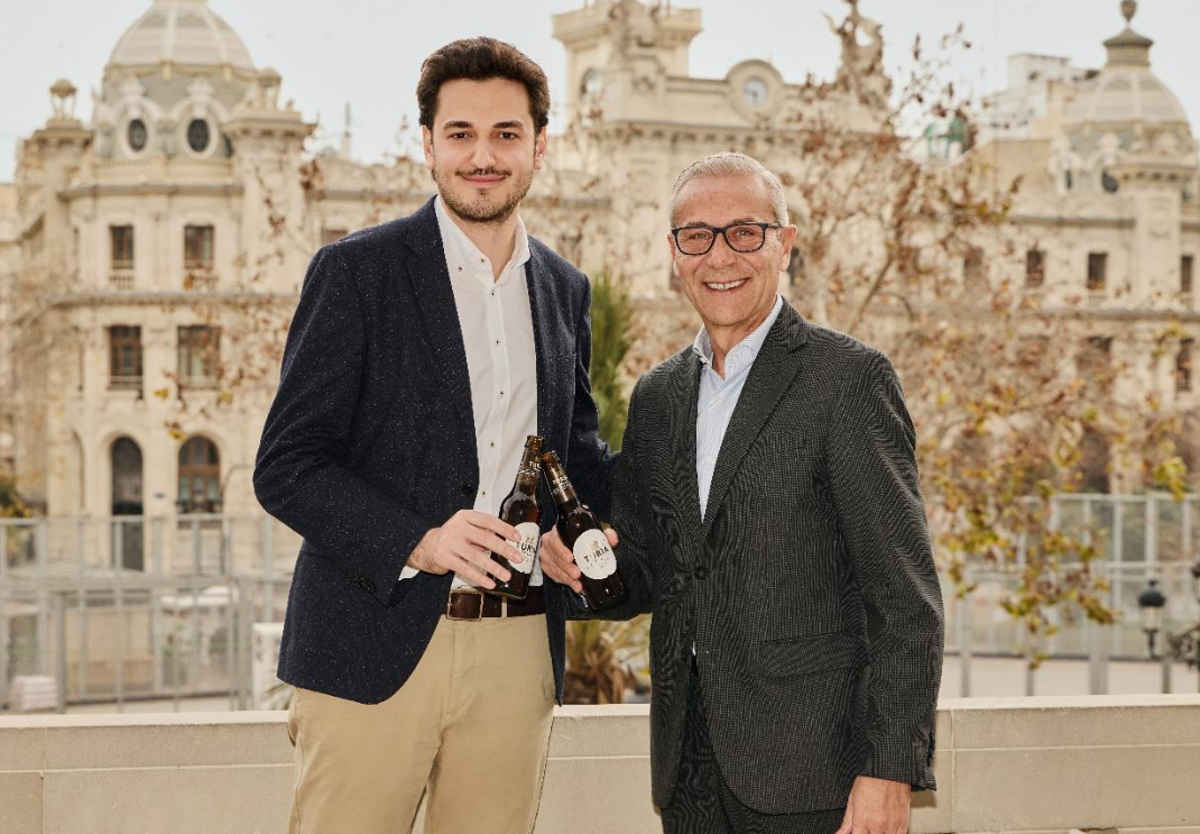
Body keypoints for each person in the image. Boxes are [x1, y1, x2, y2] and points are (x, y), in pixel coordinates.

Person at [253, 37, 615, 834]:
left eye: (505, 134)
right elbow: (286, 466)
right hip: (370, 645)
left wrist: (596, 520)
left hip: (518, 649)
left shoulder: (563, 288)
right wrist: (417, 539)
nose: (482, 156)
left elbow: (575, 455)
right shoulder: (356, 273)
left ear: (539, 147)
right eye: (460, 134)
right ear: (427, 144)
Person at [542, 152, 944, 834]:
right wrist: (579, 569)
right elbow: (651, 571)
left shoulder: (848, 380)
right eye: (696, 235)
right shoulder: (659, 397)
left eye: (744, 232)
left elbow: (906, 600)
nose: (719, 255)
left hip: (818, 774)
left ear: (785, 244)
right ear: (675, 253)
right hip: (688, 765)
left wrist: (890, 767)